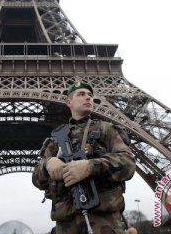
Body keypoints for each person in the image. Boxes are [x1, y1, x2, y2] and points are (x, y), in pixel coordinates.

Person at [32, 81, 136, 234]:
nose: (88, 97)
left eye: (90, 95)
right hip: (66, 225)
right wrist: (47, 164)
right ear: (69, 102)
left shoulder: (107, 130)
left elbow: (129, 164)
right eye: (81, 94)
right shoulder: (55, 141)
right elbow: (36, 180)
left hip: (104, 222)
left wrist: (90, 167)